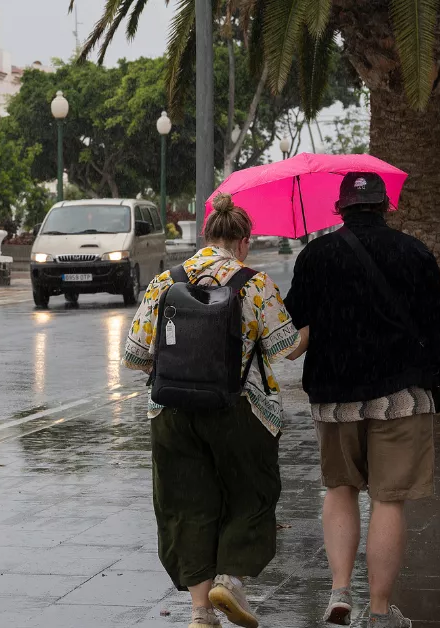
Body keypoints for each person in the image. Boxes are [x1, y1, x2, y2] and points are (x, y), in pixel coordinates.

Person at [284, 173, 440, 627]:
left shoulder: (315, 255)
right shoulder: (414, 252)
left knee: (340, 489)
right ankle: (380, 611)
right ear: (386, 207)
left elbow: (292, 326)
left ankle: (339, 591)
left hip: (334, 395)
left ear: (340, 209)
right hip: (401, 394)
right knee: (388, 499)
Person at [123, 194, 301, 628]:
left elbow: (135, 356)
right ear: (243, 241)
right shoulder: (255, 284)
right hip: (239, 410)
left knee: (186, 504)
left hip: (171, 412)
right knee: (251, 494)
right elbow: (287, 349)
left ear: (206, 236)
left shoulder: (166, 281)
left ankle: (201, 612)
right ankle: (230, 578)